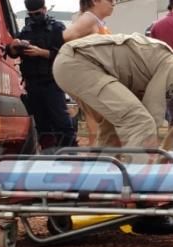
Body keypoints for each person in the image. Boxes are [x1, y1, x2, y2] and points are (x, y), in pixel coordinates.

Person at [52, 33, 173, 163]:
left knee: (113, 126)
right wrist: (152, 155)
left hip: (72, 63)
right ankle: (137, 187)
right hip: (80, 64)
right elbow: (152, 112)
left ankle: (101, 177)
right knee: (140, 122)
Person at [6, 0, 76, 150]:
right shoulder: (25, 31)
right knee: (42, 125)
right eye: (30, 14)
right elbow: (12, 54)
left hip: (52, 82)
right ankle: (47, 155)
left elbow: (66, 55)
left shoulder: (57, 29)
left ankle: (70, 155)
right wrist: (13, 46)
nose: (34, 17)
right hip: (33, 84)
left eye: (37, 13)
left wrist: (42, 53)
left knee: (62, 122)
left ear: (45, 9)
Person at [62, 0, 115, 146]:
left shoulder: (97, 22)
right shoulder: (89, 18)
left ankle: (98, 159)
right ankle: (97, 160)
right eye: (110, 0)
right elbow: (66, 36)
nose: (114, 2)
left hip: (98, 80)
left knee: (100, 124)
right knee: (96, 125)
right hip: (91, 80)